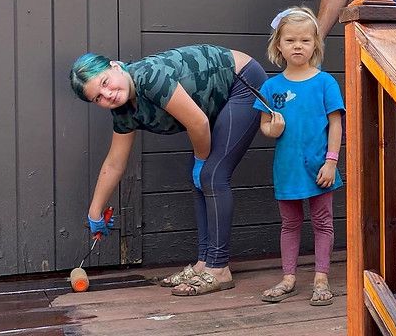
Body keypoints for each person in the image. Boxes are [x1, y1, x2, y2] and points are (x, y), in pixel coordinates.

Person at [69, 44, 267, 296]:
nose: (107, 95)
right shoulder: (122, 109)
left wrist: (200, 161)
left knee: (211, 175)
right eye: (97, 97)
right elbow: (114, 163)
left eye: (105, 83)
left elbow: (198, 122)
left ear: (115, 66)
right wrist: (95, 212)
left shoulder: (149, 77)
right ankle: (204, 263)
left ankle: (219, 268)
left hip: (241, 82)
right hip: (215, 97)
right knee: (202, 178)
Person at [254, 7, 344, 307]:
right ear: (278, 44)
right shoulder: (271, 86)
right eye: (290, 40)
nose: (298, 46)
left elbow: (336, 124)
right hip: (287, 168)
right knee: (289, 224)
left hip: (321, 167)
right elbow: (265, 126)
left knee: (323, 222)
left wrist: (331, 161)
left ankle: (321, 278)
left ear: (315, 44)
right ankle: (289, 277)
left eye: (305, 40)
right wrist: (273, 129)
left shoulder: (325, 83)